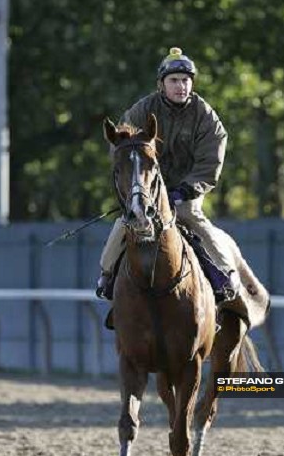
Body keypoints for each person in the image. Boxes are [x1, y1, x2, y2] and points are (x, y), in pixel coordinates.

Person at [97, 47, 240, 302]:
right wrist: (137, 184)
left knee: (188, 214)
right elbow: (119, 144)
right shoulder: (142, 109)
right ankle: (107, 274)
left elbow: (211, 158)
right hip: (148, 187)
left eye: (186, 81)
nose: (181, 86)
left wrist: (187, 189)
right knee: (126, 220)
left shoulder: (205, 116)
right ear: (161, 84)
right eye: (174, 80)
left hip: (188, 189)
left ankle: (223, 273)